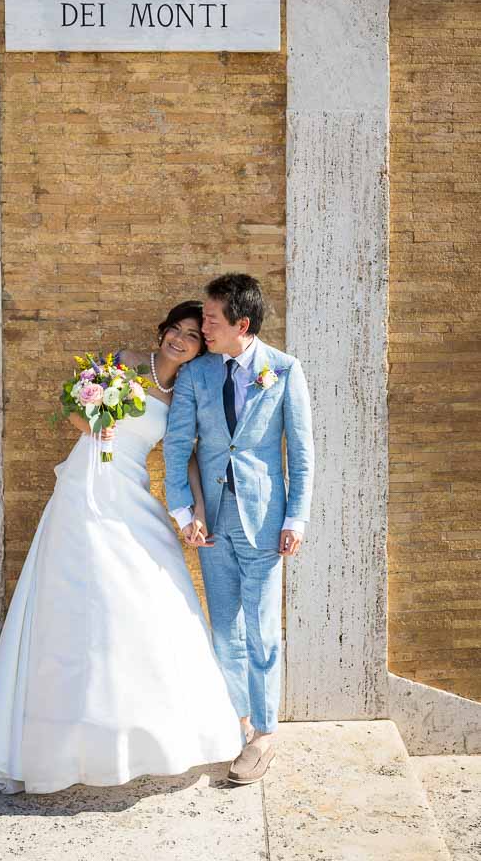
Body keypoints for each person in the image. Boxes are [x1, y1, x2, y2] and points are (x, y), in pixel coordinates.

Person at [0, 300, 243, 794]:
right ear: (162, 331)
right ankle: (53, 732)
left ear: (199, 349)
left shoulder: (187, 391)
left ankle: (144, 728)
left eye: (192, 336)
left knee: (146, 595)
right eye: (175, 330)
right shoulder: (124, 362)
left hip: (131, 492)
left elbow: (185, 458)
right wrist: (95, 424)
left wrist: (198, 511)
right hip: (84, 485)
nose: (180, 339)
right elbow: (74, 410)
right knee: (76, 592)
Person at [164, 274, 314, 785]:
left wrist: (296, 517)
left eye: (210, 319)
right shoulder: (195, 375)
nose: (202, 326)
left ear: (241, 324)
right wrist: (184, 512)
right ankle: (239, 722)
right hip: (212, 523)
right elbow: (178, 444)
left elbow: (301, 453)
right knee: (224, 625)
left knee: (262, 627)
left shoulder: (286, 371)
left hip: (266, 523)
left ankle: (266, 731)